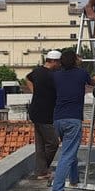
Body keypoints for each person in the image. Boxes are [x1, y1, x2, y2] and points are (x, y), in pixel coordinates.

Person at [49, 49, 95, 191]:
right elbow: (92, 81)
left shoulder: (56, 76)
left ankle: (73, 179)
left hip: (57, 119)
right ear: (74, 61)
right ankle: (58, 189)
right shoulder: (81, 73)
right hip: (73, 119)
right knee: (67, 154)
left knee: (69, 150)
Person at [24, 50, 62, 179]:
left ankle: (41, 172)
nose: (60, 65)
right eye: (59, 62)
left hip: (35, 111)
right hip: (45, 113)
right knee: (53, 143)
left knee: (40, 144)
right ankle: (42, 169)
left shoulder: (38, 71)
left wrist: (34, 92)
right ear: (54, 61)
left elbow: (27, 78)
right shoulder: (53, 75)